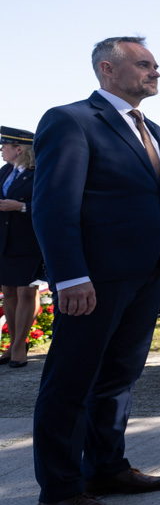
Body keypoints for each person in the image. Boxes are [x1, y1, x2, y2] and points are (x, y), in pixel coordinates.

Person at [31, 35, 160, 505]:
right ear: (107, 69)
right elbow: (54, 205)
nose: (155, 71)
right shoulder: (71, 120)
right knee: (71, 381)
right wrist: (70, 276)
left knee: (119, 377)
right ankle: (59, 491)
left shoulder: (152, 129)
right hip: (93, 279)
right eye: (144, 64)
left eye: (155, 65)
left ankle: (105, 467)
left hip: (145, 275)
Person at [0, 127, 42, 368]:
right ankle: (13, 344)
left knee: (27, 291)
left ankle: (18, 346)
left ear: (19, 149)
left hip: (29, 240)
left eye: (5, 146)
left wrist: (21, 207)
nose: (1, 150)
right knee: (8, 291)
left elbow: (50, 203)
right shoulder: (5, 171)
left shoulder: (39, 173)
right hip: (6, 240)